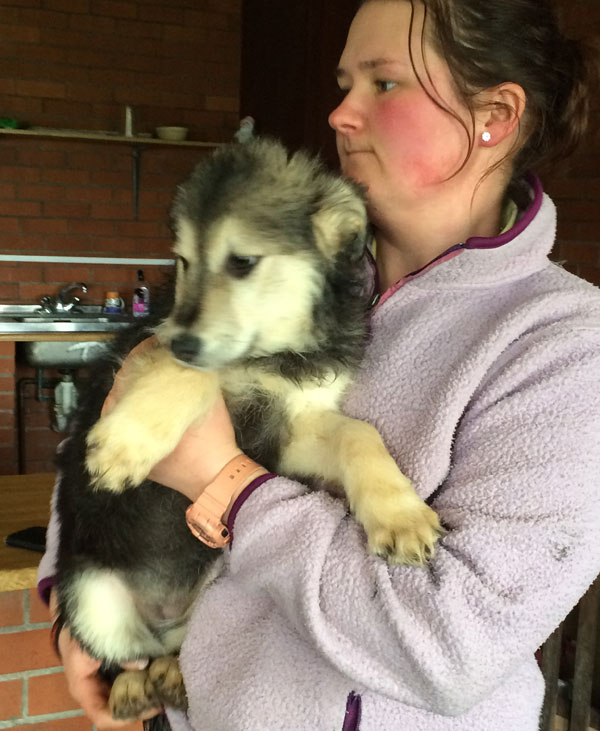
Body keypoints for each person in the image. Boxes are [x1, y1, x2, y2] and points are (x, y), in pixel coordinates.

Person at [38, 0, 600, 729]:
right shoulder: (281, 262)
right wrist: (73, 599)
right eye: (344, 82)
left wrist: (229, 486)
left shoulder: (564, 344)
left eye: (383, 83)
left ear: (494, 113)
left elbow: (450, 648)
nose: (339, 113)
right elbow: (126, 403)